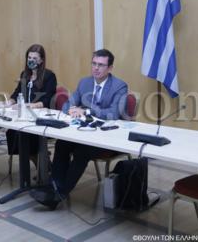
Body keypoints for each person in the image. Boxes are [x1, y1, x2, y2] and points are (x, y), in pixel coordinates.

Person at [31, 48, 127, 209]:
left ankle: (60, 194)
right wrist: (71, 109)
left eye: (101, 65)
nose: (96, 68)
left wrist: (87, 111)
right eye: (94, 64)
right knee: (62, 144)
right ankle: (54, 187)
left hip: (106, 138)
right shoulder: (85, 82)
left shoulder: (119, 86)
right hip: (83, 132)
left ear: (110, 68)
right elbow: (68, 104)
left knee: (82, 151)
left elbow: (114, 113)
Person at [6, 44, 57, 165]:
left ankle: (38, 159)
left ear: (41, 60)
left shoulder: (49, 76)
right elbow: (17, 92)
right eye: (29, 58)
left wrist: (30, 105)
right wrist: (10, 101)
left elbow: (47, 100)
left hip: (41, 116)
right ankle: (33, 156)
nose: (31, 60)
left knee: (27, 134)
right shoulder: (24, 74)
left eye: (35, 58)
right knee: (11, 132)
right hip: (25, 115)